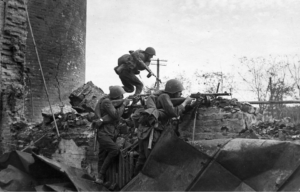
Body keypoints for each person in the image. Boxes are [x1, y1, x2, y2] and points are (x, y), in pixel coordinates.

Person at [134, 79, 193, 175]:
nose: (180, 95)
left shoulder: (162, 97)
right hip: (151, 133)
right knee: (152, 159)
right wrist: (185, 102)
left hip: (145, 132)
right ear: (173, 93)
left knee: (142, 159)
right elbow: (174, 112)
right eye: (179, 93)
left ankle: (134, 182)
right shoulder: (164, 96)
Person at [94, 85, 130, 184]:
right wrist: (124, 104)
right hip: (104, 133)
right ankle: (101, 175)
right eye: (121, 95)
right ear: (116, 96)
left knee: (102, 155)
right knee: (114, 150)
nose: (122, 97)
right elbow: (116, 115)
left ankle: (100, 179)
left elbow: (120, 115)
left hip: (109, 133)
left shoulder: (110, 102)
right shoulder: (106, 102)